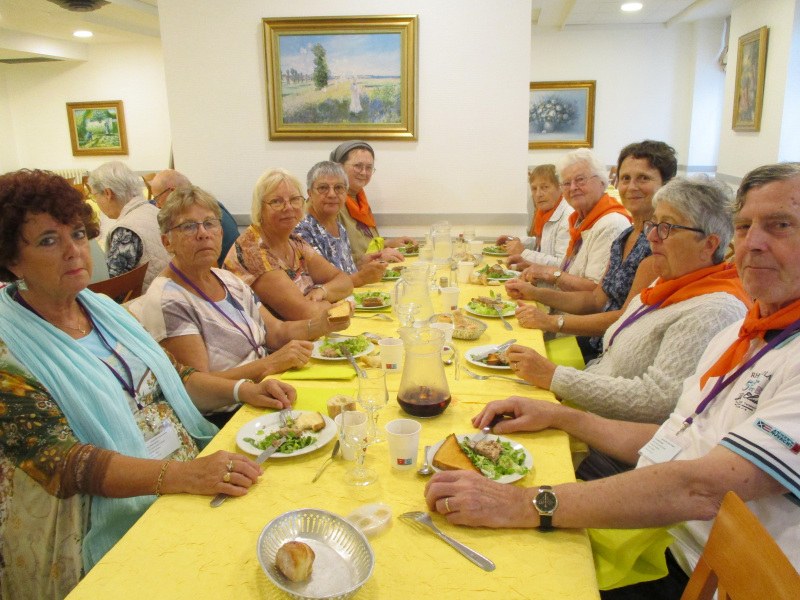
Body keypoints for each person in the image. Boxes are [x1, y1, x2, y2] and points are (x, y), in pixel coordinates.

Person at [424, 163, 800, 599]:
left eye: (781, 225)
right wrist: (559, 416)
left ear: (710, 243)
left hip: (690, 570)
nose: (752, 243)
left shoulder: (727, 316)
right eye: (746, 226)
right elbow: (675, 439)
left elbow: (700, 488)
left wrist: (526, 504)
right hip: (654, 529)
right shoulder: (743, 332)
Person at [0, 169, 297, 597]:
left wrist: (244, 390)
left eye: (79, 234)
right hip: (88, 519)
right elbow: (63, 463)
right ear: (11, 258)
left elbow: (172, 376)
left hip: (180, 472)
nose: (74, 251)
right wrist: (185, 476)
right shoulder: (9, 351)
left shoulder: (102, 308)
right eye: (49, 240)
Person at [508, 177, 751, 432]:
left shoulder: (714, 310)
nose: (652, 236)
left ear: (709, 244)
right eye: (654, 224)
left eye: (667, 227)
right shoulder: (667, 282)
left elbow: (659, 401)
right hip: (586, 405)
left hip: (608, 435)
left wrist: (555, 376)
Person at [135, 186, 352, 425]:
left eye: (210, 223)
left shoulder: (227, 279)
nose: (203, 233)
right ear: (167, 242)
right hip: (229, 414)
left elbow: (276, 333)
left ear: (220, 231)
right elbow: (199, 390)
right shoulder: (169, 299)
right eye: (188, 226)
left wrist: (322, 324)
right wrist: (269, 364)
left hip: (267, 389)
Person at [508, 141, 676, 361]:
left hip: (613, 354)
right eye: (625, 178)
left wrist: (551, 321)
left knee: (519, 359)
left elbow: (627, 318)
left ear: (666, 185)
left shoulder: (659, 242)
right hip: (594, 341)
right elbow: (596, 299)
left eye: (643, 178)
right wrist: (533, 293)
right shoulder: (624, 237)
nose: (632, 187)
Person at [224, 168, 353, 321]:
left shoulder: (294, 242)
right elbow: (305, 314)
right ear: (260, 208)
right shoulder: (252, 251)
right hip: (272, 336)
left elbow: (345, 282)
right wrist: (334, 304)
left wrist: (322, 291)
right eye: (276, 202)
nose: (289, 207)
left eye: (294, 199)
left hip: (307, 330)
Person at [520, 148, 632, 293]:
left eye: (580, 180)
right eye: (566, 183)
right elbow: (567, 273)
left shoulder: (611, 225)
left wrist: (547, 275)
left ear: (602, 182)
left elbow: (595, 292)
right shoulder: (579, 220)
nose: (573, 187)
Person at [294, 161, 388, 287]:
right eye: (323, 188)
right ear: (310, 193)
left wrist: (360, 264)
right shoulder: (302, 231)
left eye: (338, 188)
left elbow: (341, 272)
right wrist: (361, 277)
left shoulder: (339, 227)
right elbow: (318, 287)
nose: (332, 194)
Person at [87, 161, 170, 290]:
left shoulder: (126, 230)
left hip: (148, 298)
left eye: (95, 196)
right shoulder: (155, 210)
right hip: (170, 290)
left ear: (108, 193)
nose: (96, 201)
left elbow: (112, 287)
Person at [329, 140, 414, 263]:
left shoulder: (360, 201)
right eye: (358, 166)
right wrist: (377, 258)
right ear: (338, 167)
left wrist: (388, 243)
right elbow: (331, 259)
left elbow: (366, 245)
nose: (364, 172)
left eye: (369, 168)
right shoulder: (330, 203)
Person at [149, 169, 240, 268]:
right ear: (167, 242)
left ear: (173, 192)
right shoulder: (210, 209)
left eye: (157, 198)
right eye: (189, 226)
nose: (157, 205)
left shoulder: (208, 210)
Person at [496, 164, 573, 269]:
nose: (538, 194)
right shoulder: (544, 213)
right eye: (534, 188)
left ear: (560, 188)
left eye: (545, 187)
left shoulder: (568, 218)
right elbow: (542, 246)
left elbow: (562, 265)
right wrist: (515, 241)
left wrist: (523, 252)